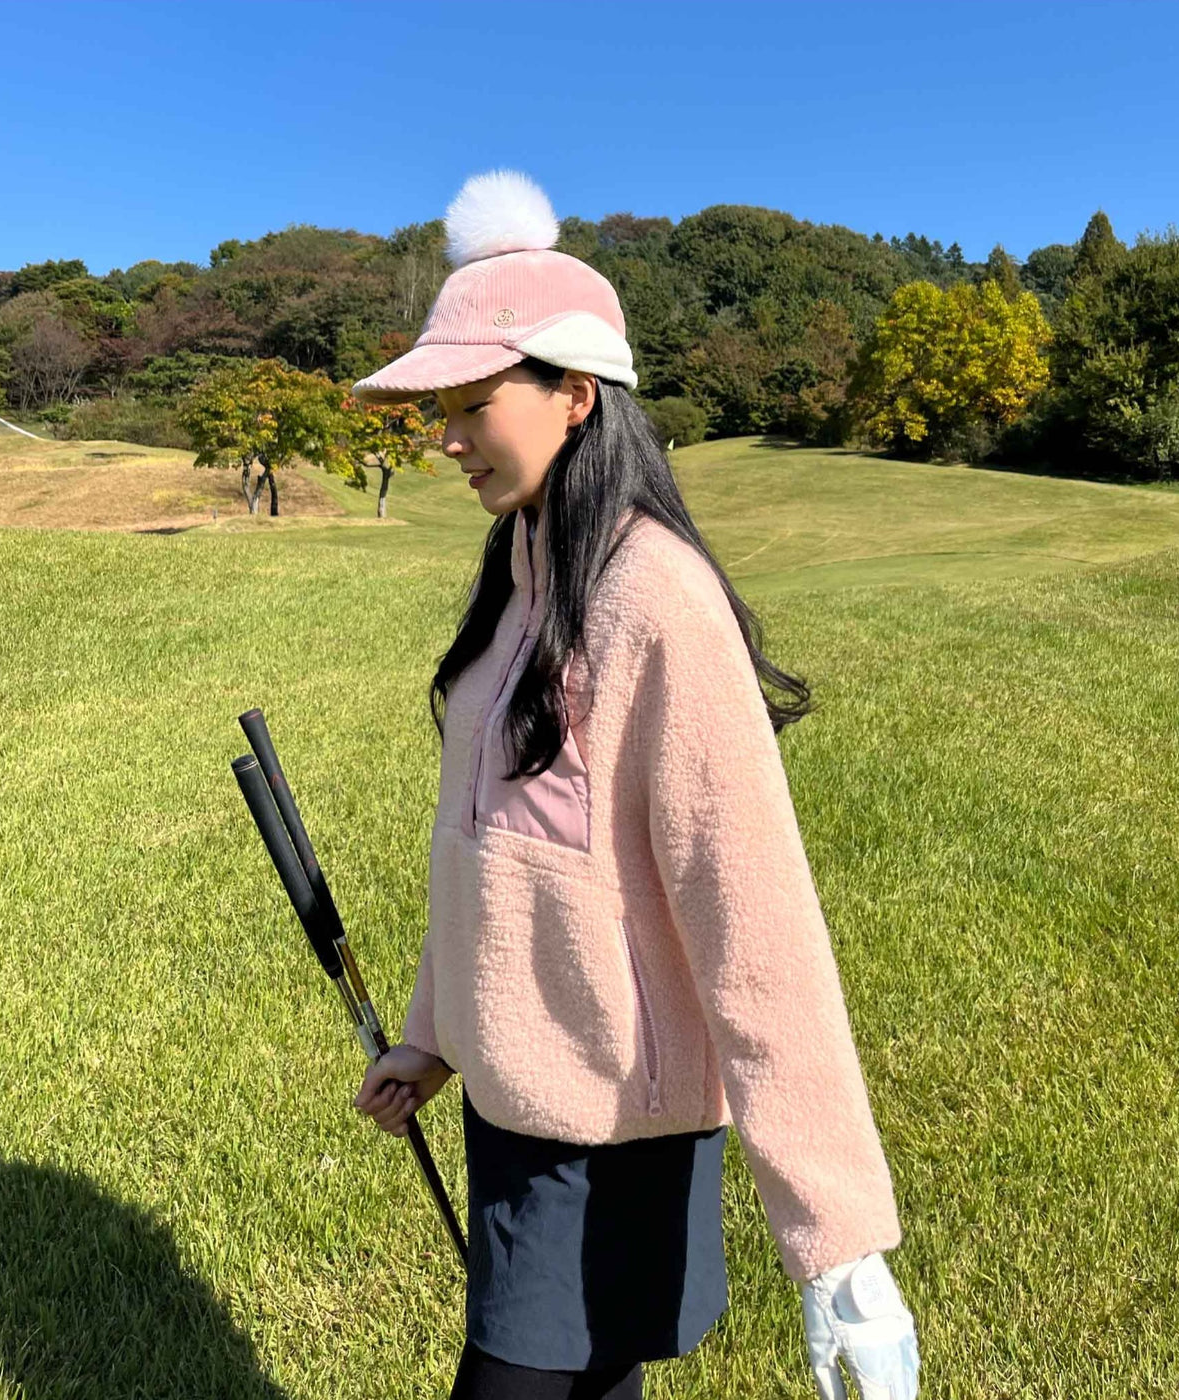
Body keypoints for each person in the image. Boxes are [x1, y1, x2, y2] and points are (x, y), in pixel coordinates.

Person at [351, 171, 920, 1400]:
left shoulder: (653, 597)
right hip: (513, 1106)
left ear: (574, 392)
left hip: (613, 1134)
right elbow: (484, 843)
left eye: (469, 399)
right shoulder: (521, 562)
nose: (443, 434)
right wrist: (431, 1034)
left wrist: (842, 1247)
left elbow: (753, 922)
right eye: (435, 405)